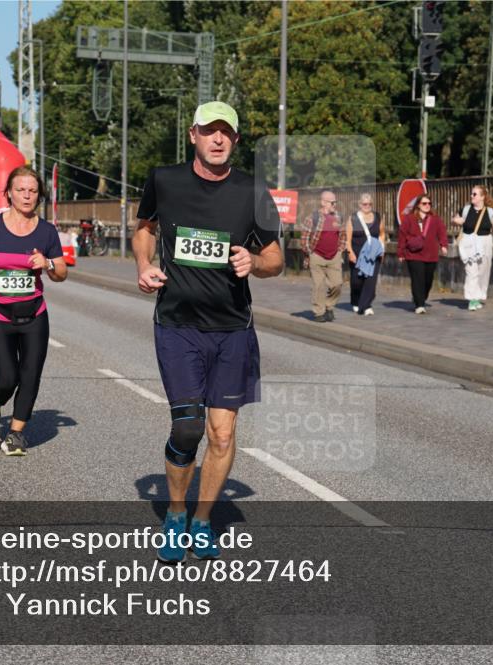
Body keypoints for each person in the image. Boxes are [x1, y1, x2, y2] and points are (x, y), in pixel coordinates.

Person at [133, 101, 282, 563]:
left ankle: (201, 520)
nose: (217, 139)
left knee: (221, 434)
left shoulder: (252, 191)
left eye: (226, 133)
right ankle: (175, 512)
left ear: (235, 140)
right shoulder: (165, 179)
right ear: (193, 134)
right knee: (188, 425)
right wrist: (144, 263)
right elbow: (145, 228)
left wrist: (253, 262)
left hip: (233, 329)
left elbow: (276, 259)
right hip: (178, 324)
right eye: (209, 131)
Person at [0, 166, 67, 457]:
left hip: (34, 314)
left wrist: (48, 264)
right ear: (9, 193)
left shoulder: (47, 231)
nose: (27, 195)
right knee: (6, 378)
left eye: (33, 190)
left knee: (30, 375)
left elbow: (61, 272)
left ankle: (15, 434)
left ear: (39, 194)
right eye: (21, 190)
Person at [451, 185, 493, 311]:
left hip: (484, 243)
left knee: (483, 272)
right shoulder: (465, 209)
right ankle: (472, 299)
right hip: (468, 243)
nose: (471, 196)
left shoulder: (491, 212)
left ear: (482, 197)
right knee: (471, 271)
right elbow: (454, 219)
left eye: (474, 194)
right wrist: (456, 221)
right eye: (471, 194)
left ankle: (477, 297)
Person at [397, 194, 448, 314]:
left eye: (429, 203)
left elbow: (442, 233)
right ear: (418, 205)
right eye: (424, 203)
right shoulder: (409, 219)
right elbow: (402, 235)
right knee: (417, 279)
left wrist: (444, 245)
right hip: (413, 254)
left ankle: (420, 297)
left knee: (428, 280)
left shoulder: (435, 219)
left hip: (431, 255)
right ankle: (419, 304)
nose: (427, 206)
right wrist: (400, 252)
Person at [300, 190, 345, 322]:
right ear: (323, 202)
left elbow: (342, 235)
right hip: (317, 256)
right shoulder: (312, 218)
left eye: (335, 202)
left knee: (337, 284)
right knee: (318, 286)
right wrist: (310, 253)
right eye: (332, 202)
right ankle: (319, 312)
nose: (335, 205)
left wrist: (340, 250)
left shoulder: (338, 217)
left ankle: (329, 306)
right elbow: (304, 238)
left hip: (334, 256)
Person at [346, 192, 385, 316]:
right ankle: (356, 301)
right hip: (357, 254)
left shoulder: (378, 217)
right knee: (357, 281)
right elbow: (347, 238)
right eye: (364, 204)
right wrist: (350, 252)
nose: (367, 206)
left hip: (373, 255)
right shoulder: (353, 218)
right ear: (359, 204)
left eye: (369, 204)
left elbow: (382, 234)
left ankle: (366, 305)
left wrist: (382, 249)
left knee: (370, 281)